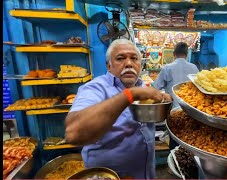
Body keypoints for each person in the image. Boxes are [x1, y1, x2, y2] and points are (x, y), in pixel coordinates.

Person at [64, 39, 172, 179]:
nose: (128, 63)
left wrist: (163, 102)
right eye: (120, 58)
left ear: (140, 65)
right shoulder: (95, 88)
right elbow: (73, 133)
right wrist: (129, 95)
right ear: (109, 65)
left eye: (134, 59)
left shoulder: (142, 87)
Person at [153, 42, 199, 108]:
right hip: (191, 108)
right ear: (186, 55)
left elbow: (156, 87)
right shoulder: (194, 67)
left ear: (174, 54)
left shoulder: (167, 68)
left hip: (172, 108)